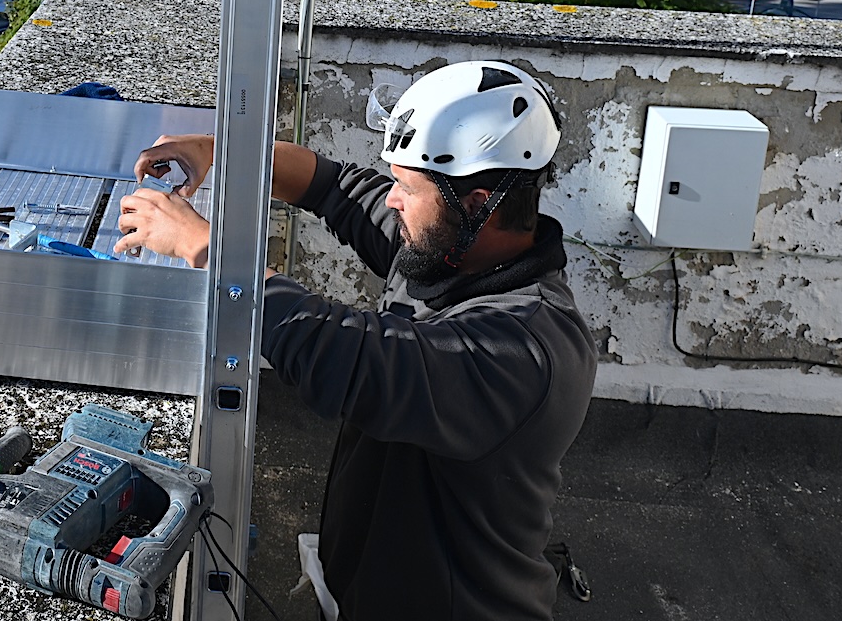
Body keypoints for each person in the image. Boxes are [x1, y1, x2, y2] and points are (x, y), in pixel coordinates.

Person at [114, 60, 596, 621]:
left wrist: (203, 247)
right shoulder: (449, 251)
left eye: (406, 188)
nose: (392, 199)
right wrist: (215, 148)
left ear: (476, 203)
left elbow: (346, 357)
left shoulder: (525, 350)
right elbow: (330, 184)